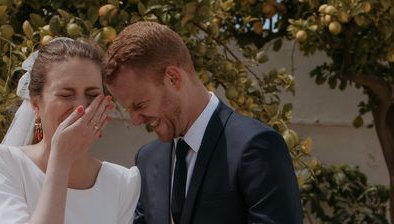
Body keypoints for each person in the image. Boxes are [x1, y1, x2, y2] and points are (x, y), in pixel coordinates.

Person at [105, 22, 303, 224]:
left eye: (140, 104)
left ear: (173, 78)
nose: (136, 120)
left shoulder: (256, 146)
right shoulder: (147, 159)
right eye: (128, 109)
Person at [0, 37, 140, 224]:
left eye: (92, 95)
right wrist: (61, 160)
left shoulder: (122, 184)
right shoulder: (1, 163)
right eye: (66, 94)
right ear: (36, 105)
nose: (81, 106)